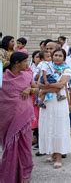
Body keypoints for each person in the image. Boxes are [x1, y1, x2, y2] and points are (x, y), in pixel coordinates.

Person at [0, 52, 35, 182]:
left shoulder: (27, 76)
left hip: (23, 120)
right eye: (25, 61)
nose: (27, 64)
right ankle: (9, 174)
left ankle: (25, 175)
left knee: (25, 148)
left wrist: (29, 89)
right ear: (17, 63)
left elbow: (36, 88)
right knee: (10, 147)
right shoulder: (3, 78)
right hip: (7, 119)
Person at [38, 48, 71, 169]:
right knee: (48, 126)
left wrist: (46, 89)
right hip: (48, 102)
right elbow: (39, 84)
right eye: (55, 55)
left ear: (64, 58)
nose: (57, 57)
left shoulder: (67, 69)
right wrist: (48, 87)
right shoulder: (47, 67)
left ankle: (58, 156)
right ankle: (51, 152)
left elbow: (61, 85)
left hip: (59, 102)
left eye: (60, 55)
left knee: (59, 127)